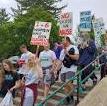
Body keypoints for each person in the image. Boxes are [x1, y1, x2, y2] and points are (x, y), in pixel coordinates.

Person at [59, 37, 79, 104]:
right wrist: (56, 69)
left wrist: (68, 54)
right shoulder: (62, 50)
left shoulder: (73, 47)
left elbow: (77, 57)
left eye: (63, 40)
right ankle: (68, 97)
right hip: (63, 69)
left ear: (67, 41)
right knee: (65, 85)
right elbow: (60, 61)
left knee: (68, 82)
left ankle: (72, 98)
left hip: (71, 68)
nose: (61, 41)